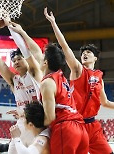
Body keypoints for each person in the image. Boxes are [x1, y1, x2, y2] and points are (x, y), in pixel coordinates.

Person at [44, 7, 114, 154]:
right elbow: (65, 47)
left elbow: (105, 102)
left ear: (95, 58)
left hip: (92, 125)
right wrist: (53, 23)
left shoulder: (99, 76)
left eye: (88, 52)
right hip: (75, 123)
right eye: (83, 53)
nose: (84, 54)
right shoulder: (77, 69)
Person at [0, 17, 43, 150]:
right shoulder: (14, 80)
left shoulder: (35, 73)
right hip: (22, 124)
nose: (16, 62)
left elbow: (27, 51)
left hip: (39, 124)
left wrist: (9, 26)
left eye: (19, 58)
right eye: (14, 60)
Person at [39, 43, 89, 154]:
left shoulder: (47, 82)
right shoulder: (61, 77)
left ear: (45, 62)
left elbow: (50, 118)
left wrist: (33, 124)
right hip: (81, 129)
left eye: (42, 57)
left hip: (65, 128)